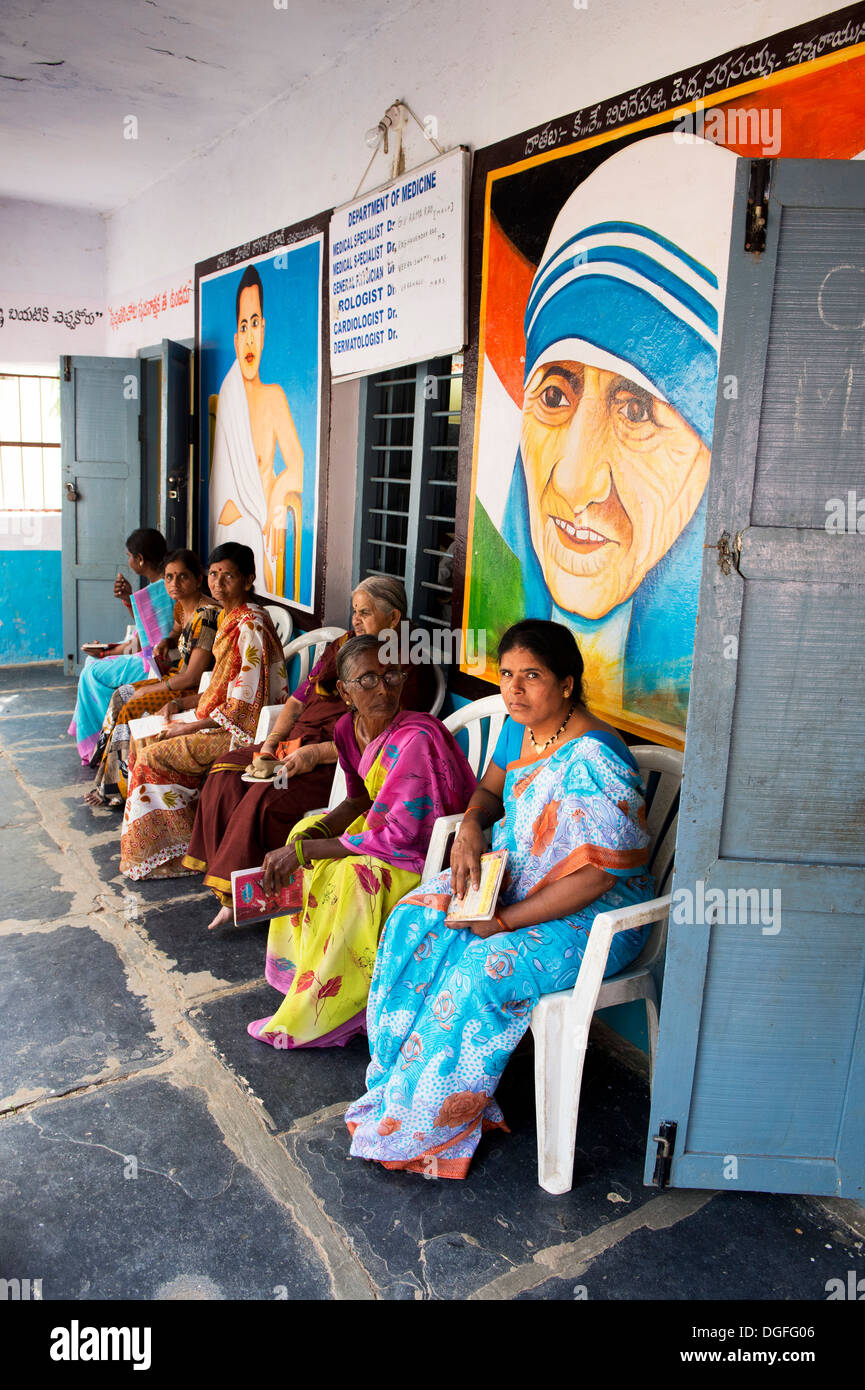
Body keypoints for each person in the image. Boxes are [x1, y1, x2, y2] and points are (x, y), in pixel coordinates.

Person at [345, 619, 654, 1179]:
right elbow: (488, 792)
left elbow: (595, 880)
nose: (513, 689)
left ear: (566, 683)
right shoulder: (521, 728)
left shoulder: (597, 755)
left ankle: (441, 1117)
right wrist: (469, 830)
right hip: (521, 876)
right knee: (415, 920)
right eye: (507, 675)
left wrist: (505, 920)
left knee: (482, 966)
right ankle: (399, 1082)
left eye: (530, 676)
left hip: (596, 915)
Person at [468, 134, 739, 734]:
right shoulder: (525, 727)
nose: (572, 483)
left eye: (638, 410)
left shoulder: (598, 762)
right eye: (556, 395)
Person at [247, 634, 477, 1049]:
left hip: (421, 854)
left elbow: (401, 834)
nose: (383, 688)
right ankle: (306, 972)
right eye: (367, 680)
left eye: (390, 676)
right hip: (382, 834)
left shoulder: (418, 738)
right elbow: (358, 799)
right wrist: (313, 835)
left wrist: (304, 852)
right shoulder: (345, 729)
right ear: (345, 691)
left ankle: (342, 1000)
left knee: (355, 876)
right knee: (301, 831)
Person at [185, 574, 438, 929]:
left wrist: (315, 754)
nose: (355, 620)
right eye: (354, 612)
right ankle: (227, 883)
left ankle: (257, 894)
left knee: (267, 795)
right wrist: (271, 743)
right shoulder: (343, 645)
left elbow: (384, 741)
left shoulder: (405, 667)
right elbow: (297, 700)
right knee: (226, 770)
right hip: (300, 738)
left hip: (338, 758)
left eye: (364, 613)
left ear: (394, 618)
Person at [119, 543, 287, 881]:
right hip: (215, 717)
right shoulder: (227, 616)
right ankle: (180, 840)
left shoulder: (249, 626)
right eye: (213, 574)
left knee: (153, 757)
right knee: (144, 732)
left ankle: (177, 852)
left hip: (235, 732)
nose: (218, 582)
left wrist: (190, 728)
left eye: (229, 576)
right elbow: (217, 687)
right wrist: (180, 706)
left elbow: (243, 708)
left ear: (248, 579)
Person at [86, 551, 220, 806]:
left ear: (197, 579)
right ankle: (107, 771)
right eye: (169, 577)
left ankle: (117, 790)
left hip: (194, 690)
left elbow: (193, 676)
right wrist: (165, 642)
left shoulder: (208, 616)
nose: (174, 584)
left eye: (182, 577)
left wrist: (150, 691)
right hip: (177, 677)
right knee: (121, 695)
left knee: (134, 704)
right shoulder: (182, 606)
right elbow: (175, 632)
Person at [210, 264, 303, 598]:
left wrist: (277, 500)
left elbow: (297, 465)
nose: (249, 336)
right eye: (242, 326)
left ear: (263, 329)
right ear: (236, 339)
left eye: (254, 324)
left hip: (261, 527)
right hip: (231, 527)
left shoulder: (275, 397)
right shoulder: (228, 398)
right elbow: (221, 487)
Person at [68, 528, 169, 764]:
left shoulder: (161, 590)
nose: (128, 560)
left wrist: (109, 651)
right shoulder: (150, 591)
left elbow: (150, 645)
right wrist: (106, 650)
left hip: (153, 666)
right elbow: (144, 634)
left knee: (91, 671)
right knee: (93, 661)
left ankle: (103, 740)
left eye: (129, 555)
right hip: (143, 656)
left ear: (140, 559)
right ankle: (101, 735)